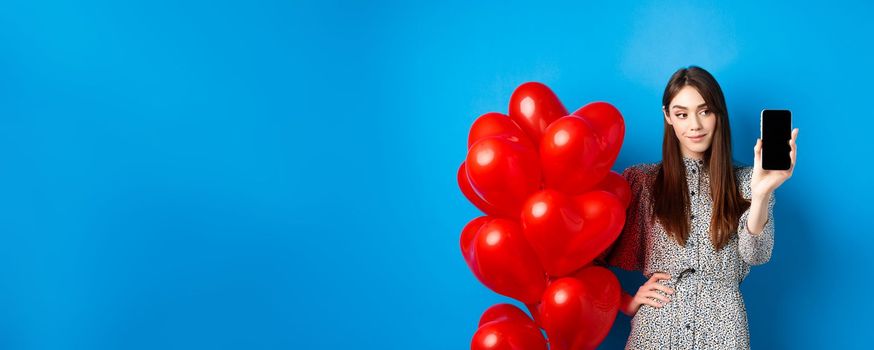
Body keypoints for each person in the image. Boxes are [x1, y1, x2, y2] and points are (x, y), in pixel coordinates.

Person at [602, 66, 799, 349]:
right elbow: (589, 254)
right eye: (682, 114)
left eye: (705, 111)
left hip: (723, 331)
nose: (694, 125)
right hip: (657, 331)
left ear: (719, 114)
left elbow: (756, 254)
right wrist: (626, 301)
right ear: (668, 117)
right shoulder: (641, 182)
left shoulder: (748, 182)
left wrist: (761, 194)